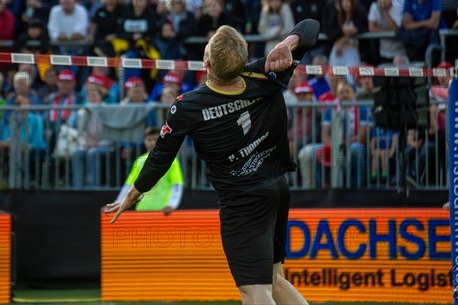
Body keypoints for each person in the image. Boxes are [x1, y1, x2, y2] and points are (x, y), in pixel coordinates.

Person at [104, 19, 319, 304]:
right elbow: (311, 27)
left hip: (243, 202)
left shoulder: (188, 106)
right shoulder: (263, 74)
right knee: (275, 279)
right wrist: (287, 44)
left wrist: (133, 193)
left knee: (255, 290)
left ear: (206, 62)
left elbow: (160, 158)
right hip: (276, 189)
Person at [115, 127, 183, 215]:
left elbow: (177, 185)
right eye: (149, 139)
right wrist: (116, 204)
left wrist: (172, 204)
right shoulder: (139, 161)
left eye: (155, 139)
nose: (152, 142)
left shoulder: (171, 160)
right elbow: (128, 186)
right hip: (142, 210)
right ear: (144, 141)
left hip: (163, 211)